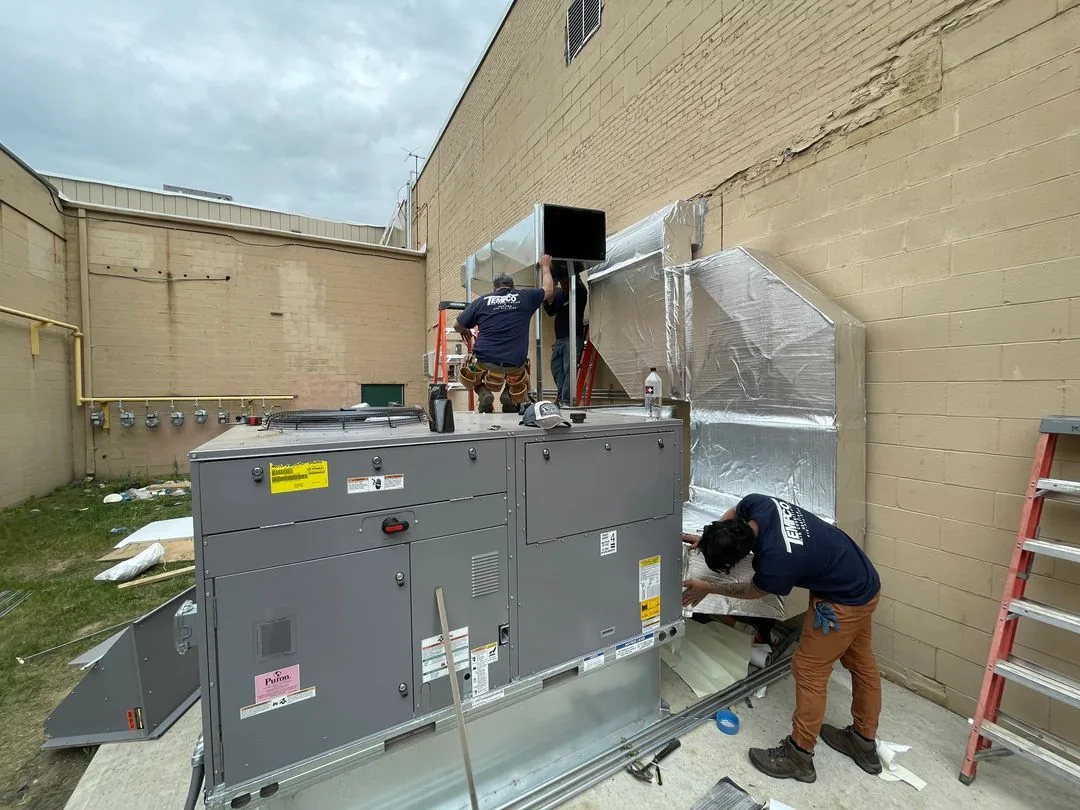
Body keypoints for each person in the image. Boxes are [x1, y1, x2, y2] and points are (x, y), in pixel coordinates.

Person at [681, 493, 882, 784]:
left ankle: (799, 756)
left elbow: (750, 592)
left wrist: (708, 587)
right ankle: (863, 742)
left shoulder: (776, 563)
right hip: (861, 577)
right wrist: (709, 537)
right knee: (860, 661)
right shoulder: (759, 505)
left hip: (843, 600)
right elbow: (734, 512)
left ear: (740, 560)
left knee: (809, 670)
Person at [455, 255, 555, 413]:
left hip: (485, 362)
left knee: (468, 367)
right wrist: (545, 266)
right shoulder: (524, 297)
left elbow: (457, 326)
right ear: (513, 287)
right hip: (514, 363)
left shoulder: (482, 301)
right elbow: (549, 290)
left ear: (494, 288)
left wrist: (465, 329)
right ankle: (509, 395)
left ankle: (483, 392)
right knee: (523, 366)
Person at [543, 267, 588, 407]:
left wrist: (574, 278)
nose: (563, 285)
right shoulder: (561, 295)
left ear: (572, 281)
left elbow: (578, 286)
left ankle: (566, 400)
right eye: (561, 283)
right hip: (560, 339)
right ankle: (562, 397)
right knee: (556, 368)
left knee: (569, 369)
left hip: (573, 337)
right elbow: (551, 312)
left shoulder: (579, 292)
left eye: (565, 282)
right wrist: (545, 300)